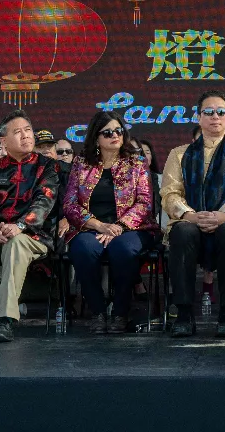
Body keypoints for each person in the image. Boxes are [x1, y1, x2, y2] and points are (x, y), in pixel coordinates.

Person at [162, 89, 225, 338]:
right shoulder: (180, 154)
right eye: (208, 112)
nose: (215, 116)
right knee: (182, 232)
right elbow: (170, 193)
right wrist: (191, 216)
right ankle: (184, 314)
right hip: (191, 220)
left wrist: (224, 216)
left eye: (221, 112)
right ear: (198, 117)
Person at [0, 109, 60, 343]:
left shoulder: (47, 166)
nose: (26, 136)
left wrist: (19, 225)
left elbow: (44, 201)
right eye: (17, 132)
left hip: (33, 235)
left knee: (16, 243)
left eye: (28, 130)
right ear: (3, 140)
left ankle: (5, 319)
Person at [63, 112, 157, 334]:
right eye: (108, 132)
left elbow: (144, 203)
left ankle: (121, 312)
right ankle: (98, 311)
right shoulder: (81, 163)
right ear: (96, 138)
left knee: (123, 248)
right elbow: (69, 204)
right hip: (91, 228)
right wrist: (97, 225)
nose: (115, 135)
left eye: (118, 131)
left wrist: (119, 227)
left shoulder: (137, 162)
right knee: (83, 249)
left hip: (131, 228)